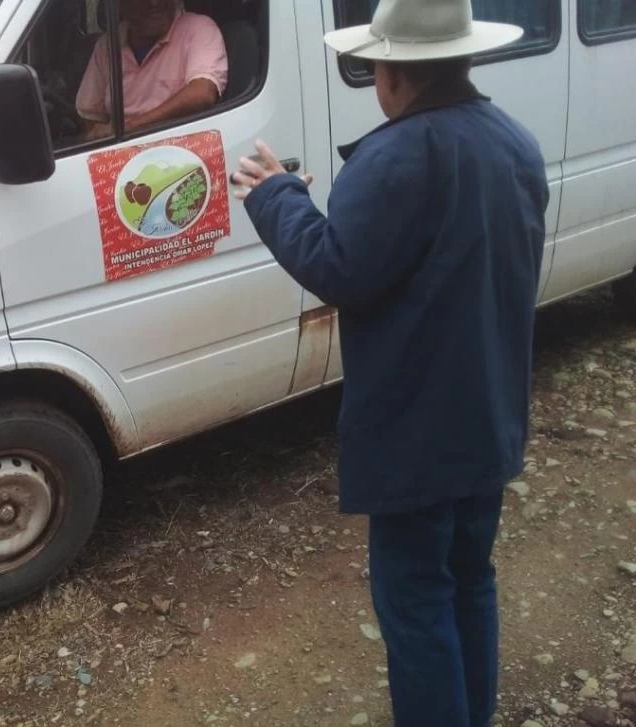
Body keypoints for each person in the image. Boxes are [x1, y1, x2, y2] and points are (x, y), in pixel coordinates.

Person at [231, 1, 549, 725]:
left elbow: (340, 268)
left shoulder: (395, 156)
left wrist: (276, 193)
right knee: (470, 580)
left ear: (393, 73)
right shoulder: (515, 143)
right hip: (489, 417)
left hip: (416, 438)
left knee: (414, 600)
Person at [75, 0, 228, 139]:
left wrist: (128, 128)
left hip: (178, 148)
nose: (155, 2)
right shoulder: (107, 45)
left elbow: (202, 93)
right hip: (119, 153)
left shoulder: (198, 28)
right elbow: (90, 113)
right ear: (120, 5)